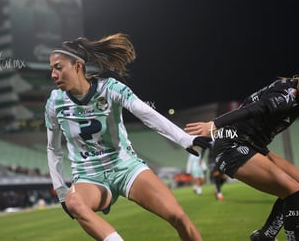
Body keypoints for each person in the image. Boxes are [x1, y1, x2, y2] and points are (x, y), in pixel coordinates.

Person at [45, 33, 212, 241]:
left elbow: (147, 114)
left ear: (78, 66)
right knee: (74, 202)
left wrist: (185, 139)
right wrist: (61, 190)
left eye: (58, 67)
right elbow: (53, 149)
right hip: (90, 177)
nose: (53, 74)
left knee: (178, 216)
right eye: (51, 68)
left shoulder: (110, 88)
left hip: (126, 168)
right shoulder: (54, 102)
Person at [185, 60, 299, 241]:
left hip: (254, 145)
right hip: (232, 145)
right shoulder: (288, 97)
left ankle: (265, 236)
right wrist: (215, 124)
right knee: (295, 193)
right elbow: (255, 109)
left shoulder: (297, 92)